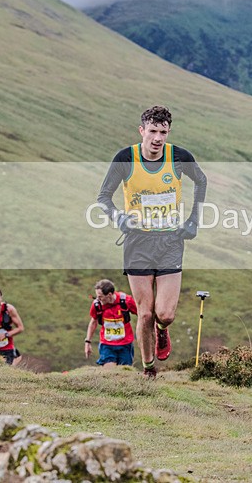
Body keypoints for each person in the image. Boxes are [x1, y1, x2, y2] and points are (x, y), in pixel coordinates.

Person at [97, 105, 207, 378]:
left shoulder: (179, 157)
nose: (158, 138)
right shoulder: (126, 158)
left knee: (164, 314)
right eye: (153, 131)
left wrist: (193, 220)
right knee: (145, 313)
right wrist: (118, 217)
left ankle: (162, 330)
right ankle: (148, 369)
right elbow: (103, 197)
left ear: (168, 132)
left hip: (171, 241)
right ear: (142, 130)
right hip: (138, 243)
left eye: (163, 132)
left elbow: (201, 181)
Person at [85, 279, 138, 368]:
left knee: (124, 372)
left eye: (100, 297)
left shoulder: (126, 300)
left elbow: (141, 314)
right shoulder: (97, 305)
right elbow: (93, 322)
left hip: (125, 344)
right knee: (109, 371)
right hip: (107, 345)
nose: (98, 299)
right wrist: (87, 342)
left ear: (109, 295)